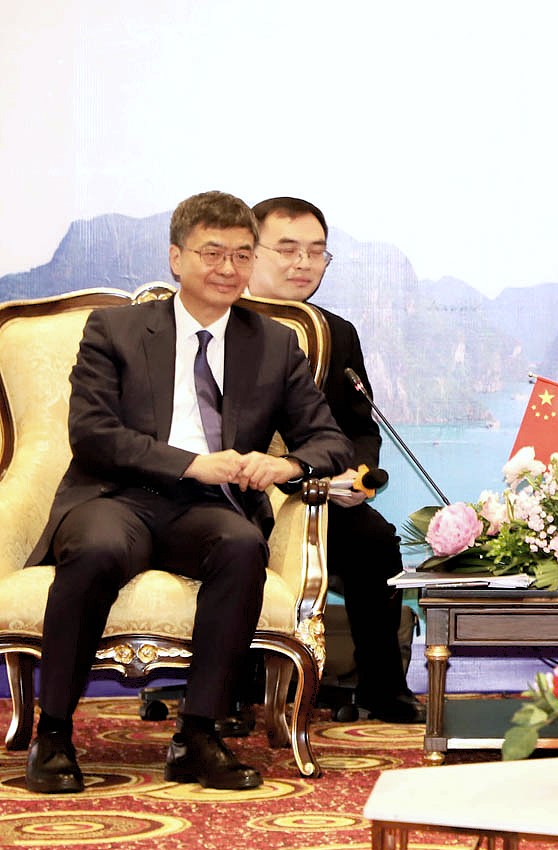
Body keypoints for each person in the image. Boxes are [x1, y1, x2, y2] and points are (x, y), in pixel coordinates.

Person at [23, 191, 353, 794]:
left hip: (208, 511)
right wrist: (192, 463)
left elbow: (329, 442)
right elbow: (93, 435)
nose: (228, 269)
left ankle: (198, 735)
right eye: (212, 253)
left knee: (241, 545)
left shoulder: (275, 343)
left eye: (241, 256)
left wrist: (283, 466)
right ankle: (54, 734)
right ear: (177, 257)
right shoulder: (115, 329)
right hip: (114, 497)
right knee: (94, 551)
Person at [247, 197, 424, 723]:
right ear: (250, 253)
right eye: (287, 249)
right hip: (236, 492)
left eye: (316, 252)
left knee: (373, 538)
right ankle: (231, 689)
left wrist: (358, 477)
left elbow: (360, 425)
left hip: (313, 495)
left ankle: (382, 687)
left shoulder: (337, 333)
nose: (303, 263)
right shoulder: (214, 324)